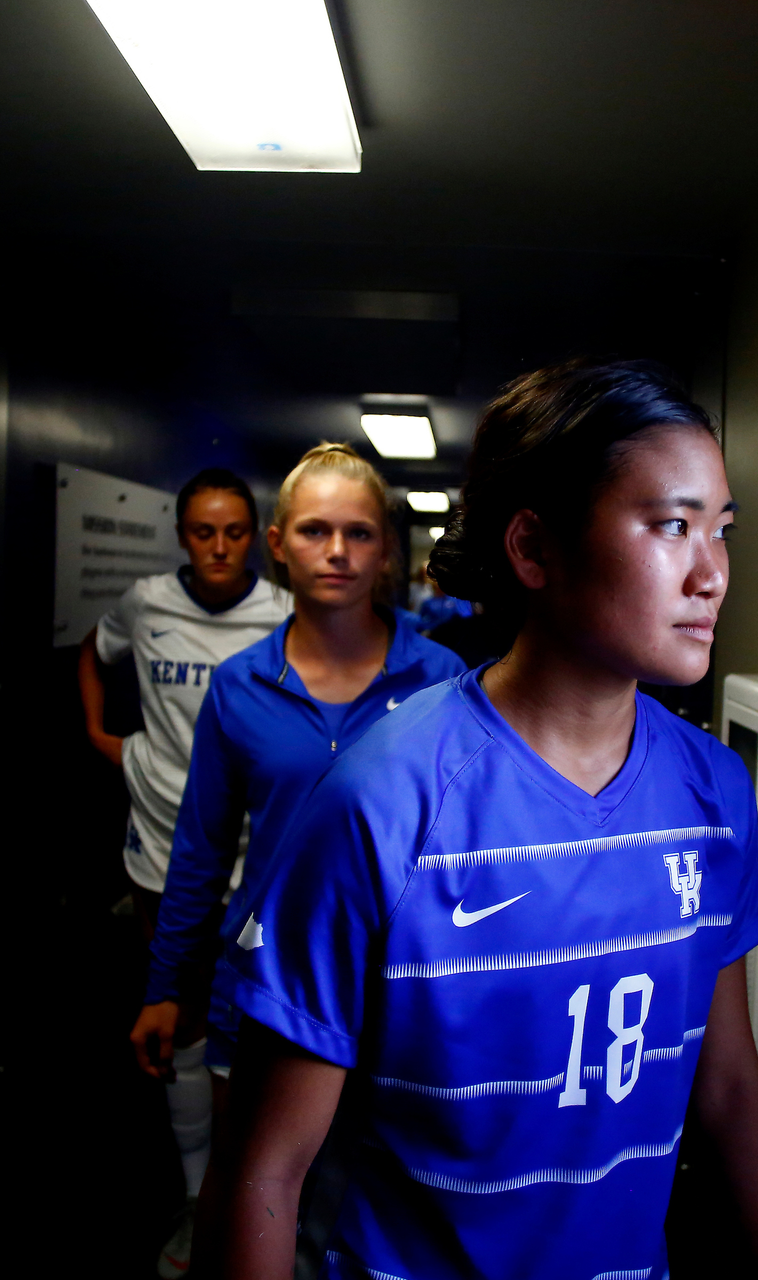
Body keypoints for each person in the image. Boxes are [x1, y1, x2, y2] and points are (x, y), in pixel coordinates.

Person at [209, 359, 758, 1280]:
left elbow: (728, 1090)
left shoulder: (711, 789)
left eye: (721, 530)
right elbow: (266, 1167)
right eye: (671, 526)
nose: (712, 575)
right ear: (533, 550)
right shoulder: (385, 801)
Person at [130, 443, 466, 1243]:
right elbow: (200, 852)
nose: (339, 553)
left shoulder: (443, 680)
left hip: (404, 991)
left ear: (386, 546)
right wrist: (164, 985)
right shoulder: (240, 685)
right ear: (278, 543)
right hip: (262, 982)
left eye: (358, 533)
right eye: (316, 532)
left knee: (374, 1211)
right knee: (254, 1200)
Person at [78, 467, 291, 1279]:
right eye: (203, 532)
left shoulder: (282, 615)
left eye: (234, 532)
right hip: (162, 847)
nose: (218, 547)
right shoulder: (144, 602)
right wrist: (106, 739)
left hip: (254, 857)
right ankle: (200, 1198)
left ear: (257, 538)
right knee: (180, 1015)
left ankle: (261, 1199)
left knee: (261, 1026)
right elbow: (96, 656)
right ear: (181, 536)